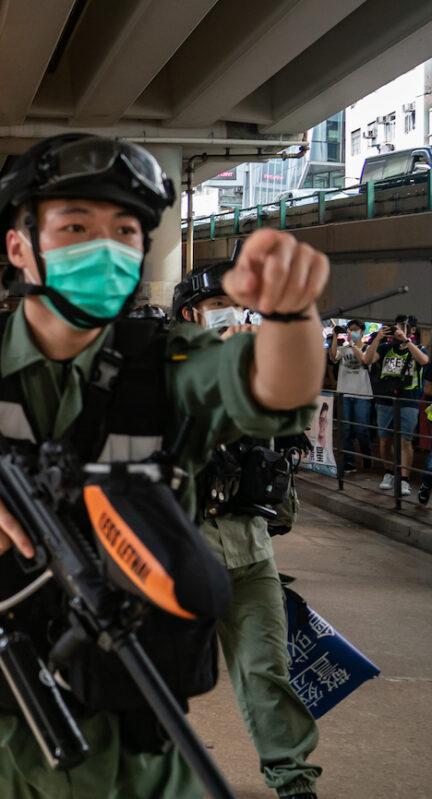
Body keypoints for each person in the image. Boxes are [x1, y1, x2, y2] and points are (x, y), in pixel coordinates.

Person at [0, 134, 328, 798]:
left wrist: (291, 312)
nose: (106, 247)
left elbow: (278, 387)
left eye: (126, 230)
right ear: (19, 246)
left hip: (139, 743)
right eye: (75, 226)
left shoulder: (169, 363)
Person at [174, 261, 322, 799]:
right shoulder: (168, 367)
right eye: (219, 306)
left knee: (265, 671)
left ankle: (292, 780)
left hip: (249, 551)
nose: (232, 315)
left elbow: (286, 440)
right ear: (191, 313)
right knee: (153, 682)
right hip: (175, 555)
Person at [362, 314, 428, 495]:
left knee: (405, 440)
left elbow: (423, 361)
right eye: (396, 326)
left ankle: (404, 479)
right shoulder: (384, 348)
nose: (397, 329)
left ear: (412, 330)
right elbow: (366, 360)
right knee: (384, 439)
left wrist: (406, 340)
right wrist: (377, 338)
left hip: (409, 399)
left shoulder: (418, 348)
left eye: (402, 326)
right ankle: (388, 473)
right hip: (385, 399)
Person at [329, 319, 372, 472]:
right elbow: (333, 356)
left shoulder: (368, 348)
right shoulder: (344, 348)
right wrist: (335, 337)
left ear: (362, 331)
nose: (352, 332)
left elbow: (365, 360)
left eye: (355, 329)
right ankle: (349, 462)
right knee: (345, 430)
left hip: (363, 395)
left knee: (362, 430)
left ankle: (368, 456)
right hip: (344, 394)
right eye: (350, 329)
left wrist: (353, 345)